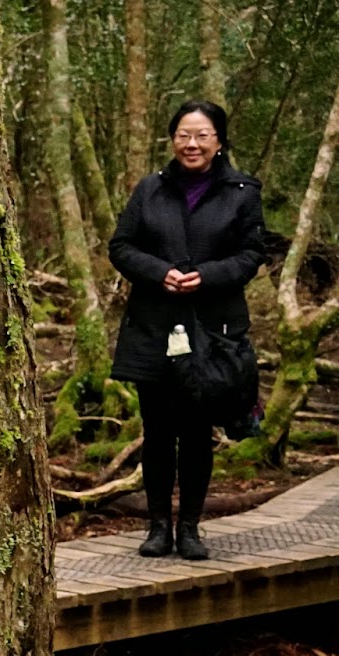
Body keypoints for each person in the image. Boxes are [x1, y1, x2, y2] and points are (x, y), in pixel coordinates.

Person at [109, 99, 265, 560]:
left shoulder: (242, 192)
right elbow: (121, 246)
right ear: (172, 139)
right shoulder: (150, 189)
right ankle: (158, 526)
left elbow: (252, 254)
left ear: (219, 141)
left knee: (197, 432)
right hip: (154, 326)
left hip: (212, 333)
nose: (191, 144)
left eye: (202, 135)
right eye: (183, 135)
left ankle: (191, 528)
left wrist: (208, 275)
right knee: (157, 431)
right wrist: (159, 272)